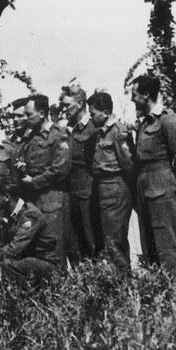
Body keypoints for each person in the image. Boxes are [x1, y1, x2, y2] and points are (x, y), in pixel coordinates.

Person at [130, 74, 176, 274]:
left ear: (146, 95)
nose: (132, 99)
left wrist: (173, 183)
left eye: (135, 95)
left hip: (162, 191)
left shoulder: (168, 121)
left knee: (167, 247)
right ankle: (158, 292)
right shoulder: (144, 123)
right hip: (145, 191)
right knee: (150, 249)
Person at [15, 94, 70, 266]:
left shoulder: (58, 135)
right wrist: (21, 167)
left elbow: (60, 169)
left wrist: (34, 181)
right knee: (36, 246)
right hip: (33, 199)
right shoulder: (30, 135)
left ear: (42, 113)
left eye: (28, 114)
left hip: (51, 199)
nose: (25, 118)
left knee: (53, 246)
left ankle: (60, 286)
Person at [0, 177, 65, 286]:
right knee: (1, 263)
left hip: (46, 263)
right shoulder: (10, 213)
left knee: (6, 265)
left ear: (7, 197)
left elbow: (15, 249)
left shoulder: (30, 214)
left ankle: (24, 299)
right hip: (28, 260)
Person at [88, 91, 134, 273]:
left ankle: (124, 280)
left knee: (114, 240)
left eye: (93, 114)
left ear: (105, 112)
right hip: (104, 188)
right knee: (108, 238)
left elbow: (128, 164)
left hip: (115, 188)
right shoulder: (101, 133)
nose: (91, 117)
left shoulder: (117, 132)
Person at [60, 84, 98, 266]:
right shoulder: (67, 129)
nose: (64, 109)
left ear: (81, 103)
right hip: (69, 191)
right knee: (72, 239)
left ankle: (97, 278)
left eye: (68, 105)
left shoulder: (92, 128)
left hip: (86, 190)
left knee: (89, 236)